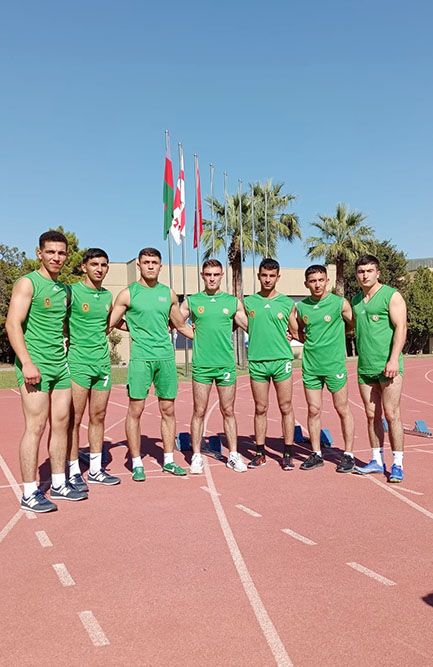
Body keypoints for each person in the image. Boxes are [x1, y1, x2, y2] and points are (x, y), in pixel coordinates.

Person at [5, 231, 87, 512]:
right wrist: (27, 362)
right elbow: (13, 324)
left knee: (61, 424)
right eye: (50, 252)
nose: (56, 257)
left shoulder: (65, 289)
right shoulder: (27, 283)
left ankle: (59, 482)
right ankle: (29, 492)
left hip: (59, 365)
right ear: (39, 253)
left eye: (61, 253)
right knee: (36, 426)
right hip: (34, 365)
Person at [109, 247, 193, 481]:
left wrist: (209, 337)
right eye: (146, 262)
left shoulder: (169, 294)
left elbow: (181, 325)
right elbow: (110, 324)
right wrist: (131, 328)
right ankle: (136, 463)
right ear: (139, 264)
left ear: (160, 265)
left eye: (154, 262)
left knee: (168, 410)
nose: (150, 266)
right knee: (136, 410)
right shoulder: (127, 294)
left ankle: (168, 460)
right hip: (140, 359)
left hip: (165, 358)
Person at [180, 259, 247, 474]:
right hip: (202, 366)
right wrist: (195, 335)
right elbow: (176, 322)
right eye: (208, 274)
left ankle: (234, 455)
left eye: (216, 274)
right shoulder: (192, 301)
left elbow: (248, 325)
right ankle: (197, 455)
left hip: (225, 364)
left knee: (228, 410)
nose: (211, 278)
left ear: (221, 276)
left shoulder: (232, 302)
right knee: (199, 411)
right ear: (202, 275)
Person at [290, 265, 355, 472]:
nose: (317, 284)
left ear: (327, 281)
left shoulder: (339, 303)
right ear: (306, 283)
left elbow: (352, 325)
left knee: (342, 408)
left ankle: (348, 454)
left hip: (334, 365)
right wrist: (305, 339)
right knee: (313, 409)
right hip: (311, 366)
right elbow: (297, 330)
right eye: (313, 281)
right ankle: (316, 453)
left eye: (321, 280)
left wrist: (336, 337)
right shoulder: (301, 307)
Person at [66, 248, 120, 490]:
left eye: (104, 265)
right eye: (95, 264)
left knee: (98, 417)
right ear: (83, 267)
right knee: (74, 420)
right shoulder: (72, 292)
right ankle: (74, 469)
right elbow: (61, 325)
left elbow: (112, 325)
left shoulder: (109, 296)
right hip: (78, 363)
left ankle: (97, 469)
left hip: (102, 364)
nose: (99, 269)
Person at [351, 255, 407, 482]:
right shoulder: (355, 301)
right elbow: (344, 327)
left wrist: (393, 359)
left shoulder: (391, 295)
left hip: (388, 368)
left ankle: (398, 463)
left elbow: (401, 327)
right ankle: (376, 459)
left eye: (369, 271)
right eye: (361, 271)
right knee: (372, 415)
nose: (365, 275)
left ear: (378, 273)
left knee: (392, 415)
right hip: (365, 368)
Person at [242, 258, 296, 470]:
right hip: (257, 361)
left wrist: (292, 335)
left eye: (272, 276)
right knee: (260, 407)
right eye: (264, 275)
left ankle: (288, 453)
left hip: (282, 361)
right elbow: (238, 322)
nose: (267, 279)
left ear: (278, 277)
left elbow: (296, 330)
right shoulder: (248, 302)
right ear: (258, 276)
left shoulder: (287, 303)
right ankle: (260, 452)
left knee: (285, 406)